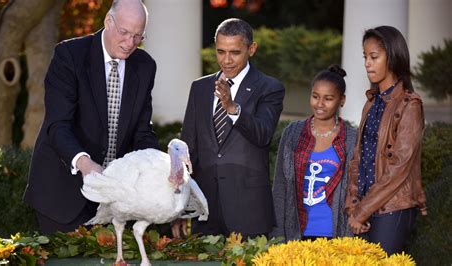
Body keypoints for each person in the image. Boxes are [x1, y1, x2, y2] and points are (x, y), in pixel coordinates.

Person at [24, 0, 159, 234]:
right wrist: (85, 164)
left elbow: (142, 132)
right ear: (108, 21)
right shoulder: (69, 55)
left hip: (115, 199)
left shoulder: (145, 66)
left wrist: (160, 168)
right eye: (125, 33)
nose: (130, 43)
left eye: (138, 36)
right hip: (62, 193)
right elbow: (58, 126)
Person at [172, 18, 285, 239]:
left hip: (248, 210)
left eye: (235, 52)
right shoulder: (200, 88)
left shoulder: (269, 88)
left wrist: (232, 108)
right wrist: (178, 204)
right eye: (220, 52)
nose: (226, 60)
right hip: (204, 209)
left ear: (251, 49)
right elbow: (187, 149)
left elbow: (263, 134)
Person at [345, 26, 427, 255]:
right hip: (364, 206)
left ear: (392, 57)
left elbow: (399, 167)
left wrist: (362, 211)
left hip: (393, 207)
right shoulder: (371, 102)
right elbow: (357, 159)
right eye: (365, 57)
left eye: (373, 57)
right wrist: (353, 204)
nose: (367, 63)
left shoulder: (410, 105)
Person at [270, 65, 355, 241]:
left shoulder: (352, 139)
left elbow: (355, 193)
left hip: (336, 234)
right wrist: (277, 236)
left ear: (342, 100)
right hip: (297, 232)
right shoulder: (293, 134)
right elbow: (280, 188)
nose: (320, 104)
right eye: (315, 97)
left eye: (328, 99)